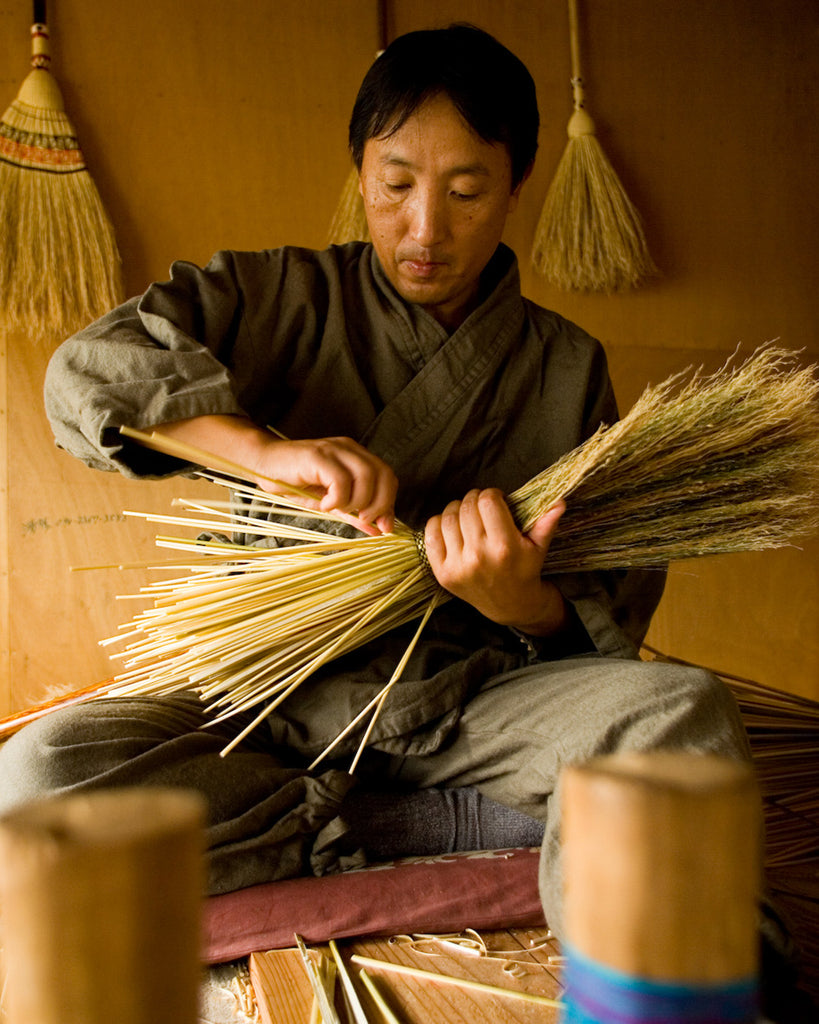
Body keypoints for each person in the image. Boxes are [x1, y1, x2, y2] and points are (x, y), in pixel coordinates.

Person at [0, 24, 750, 937]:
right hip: (266, 710)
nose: (424, 229)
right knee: (43, 776)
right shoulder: (277, 296)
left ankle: (381, 842)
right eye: (396, 185)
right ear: (359, 171)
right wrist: (264, 452)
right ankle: (416, 829)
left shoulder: (563, 366)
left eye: (466, 190)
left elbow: (606, 632)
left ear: (517, 185)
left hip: (467, 710)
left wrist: (524, 606)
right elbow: (88, 370)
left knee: (679, 715)